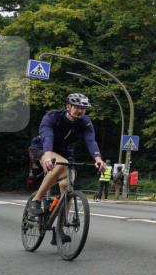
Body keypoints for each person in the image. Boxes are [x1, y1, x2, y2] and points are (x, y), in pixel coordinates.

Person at [27, 94, 106, 242]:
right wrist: (48, 156)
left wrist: (98, 159)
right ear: (68, 106)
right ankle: (36, 200)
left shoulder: (85, 122)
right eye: (77, 107)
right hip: (42, 148)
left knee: (67, 186)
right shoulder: (52, 117)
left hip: (66, 153)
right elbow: (47, 137)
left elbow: (91, 141)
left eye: (83, 108)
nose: (80, 111)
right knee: (58, 164)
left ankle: (60, 229)